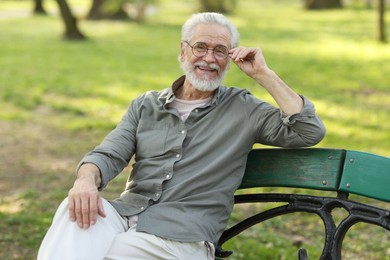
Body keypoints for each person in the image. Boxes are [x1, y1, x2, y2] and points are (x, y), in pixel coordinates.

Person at [38, 12, 326, 260]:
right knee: (72, 211)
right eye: (200, 47)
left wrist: (264, 74)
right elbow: (108, 154)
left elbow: (308, 130)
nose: (209, 58)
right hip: (126, 216)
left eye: (220, 51)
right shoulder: (146, 105)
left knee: (103, 252)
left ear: (230, 58)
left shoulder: (243, 109)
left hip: (180, 239)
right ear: (183, 50)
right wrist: (85, 182)